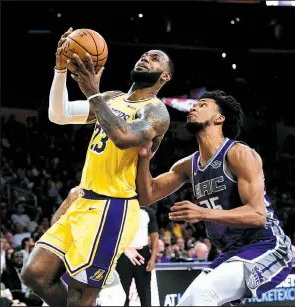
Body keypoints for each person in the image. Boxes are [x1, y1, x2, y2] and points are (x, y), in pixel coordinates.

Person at [21, 27, 173, 306]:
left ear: (165, 76)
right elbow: (59, 115)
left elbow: (124, 137)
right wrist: (60, 70)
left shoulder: (156, 111)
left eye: (154, 59)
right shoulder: (112, 98)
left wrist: (93, 93)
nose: (145, 58)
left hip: (113, 208)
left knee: (80, 298)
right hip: (84, 200)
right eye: (143, 55)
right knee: (34, 275)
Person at [136, 90, 293, 306]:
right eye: (194, 105)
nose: (193, 108)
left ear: (219, 118)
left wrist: (203, 213)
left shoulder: (239, 153)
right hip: (233, 252)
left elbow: (258, 215)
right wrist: (145, 157)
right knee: (186, 303)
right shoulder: (187, 166)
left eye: (202, 105)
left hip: (267, 245)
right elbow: (147, 196)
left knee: (204, 294)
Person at [42, 186, 145, 307]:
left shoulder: (114, 198)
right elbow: (55, 224)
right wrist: (69, 201)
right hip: (73, 266)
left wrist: (125, 247)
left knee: (116, 297)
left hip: (101, 269)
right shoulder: (78, 194)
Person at [116, 206, 159, 306]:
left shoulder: (148, 212)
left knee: (145, 291)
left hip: (143, 254)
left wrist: (153, 258)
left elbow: (155, 237)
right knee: (122, 292)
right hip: (124, 253)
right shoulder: (121, 209)